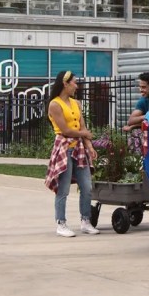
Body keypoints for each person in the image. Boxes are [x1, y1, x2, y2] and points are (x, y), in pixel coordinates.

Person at [44, 70, 100, 238]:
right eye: (74, 83)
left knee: (87, 187)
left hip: (79, 148)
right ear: (65, 83)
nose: (77, 86)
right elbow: (66, 130)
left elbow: (82, 127)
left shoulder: (77, 103)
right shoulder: (54, 104)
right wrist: (85, 135)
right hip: (63, 147)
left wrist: (89, 146)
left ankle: (85, 221)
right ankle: (61, 223)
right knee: (64, 189)